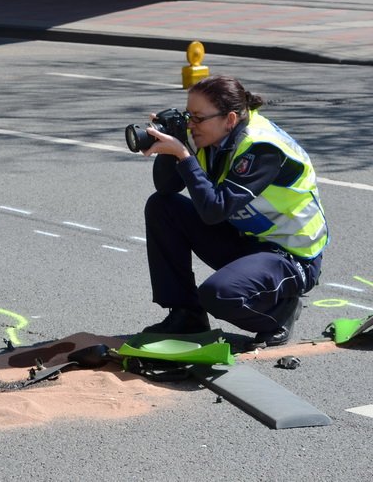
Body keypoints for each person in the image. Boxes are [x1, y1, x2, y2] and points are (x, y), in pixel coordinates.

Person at [138, 75, 328, 347]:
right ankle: (187, 315)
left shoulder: (261, 147)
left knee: (219, 294)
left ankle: (278, 313)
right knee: (162, 207)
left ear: (229, 119)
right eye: (187, 116)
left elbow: (215, 210)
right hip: (247, 239)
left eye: (198, 118)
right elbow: (167, 188)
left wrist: (184, 156)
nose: (191, 125)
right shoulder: (212, 139)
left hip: (290, 255)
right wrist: (173, 144)